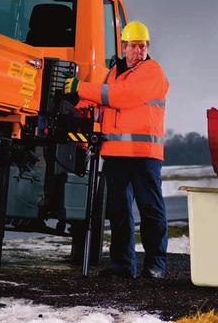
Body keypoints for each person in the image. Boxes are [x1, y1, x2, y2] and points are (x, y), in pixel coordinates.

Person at [65, 21, 169, 279]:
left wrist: (80, 87)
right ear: (123, 47)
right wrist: (77, 99)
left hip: (144, 154)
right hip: (115, 154)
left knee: (150, 210)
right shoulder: (113, 73)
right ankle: (122, 265)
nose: (138, 51)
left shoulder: (152, 71)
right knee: (118, 211)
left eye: (142, 46)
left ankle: (156, 264)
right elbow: (103, 100)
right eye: (133, 46)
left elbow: (121, 96)